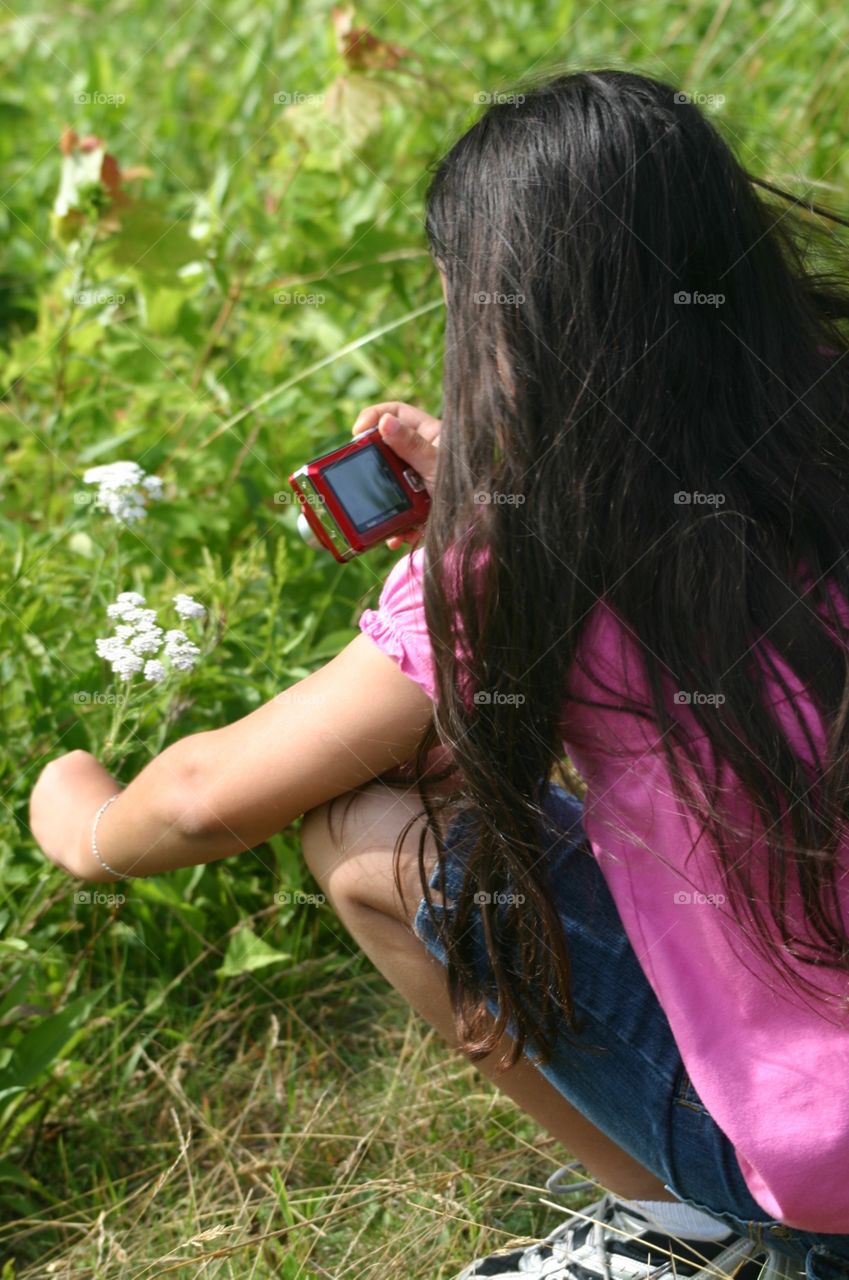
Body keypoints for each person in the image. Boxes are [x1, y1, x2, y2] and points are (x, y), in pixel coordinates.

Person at [31, 67, 849, 1280]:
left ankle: (685, 1222)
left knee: (367, 827)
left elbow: (207, 794)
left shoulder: (523, 561)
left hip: (823, 1175)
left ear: (512, 322)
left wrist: (83, 816)